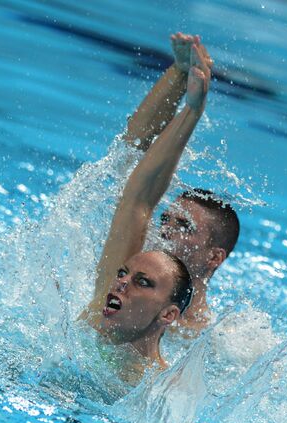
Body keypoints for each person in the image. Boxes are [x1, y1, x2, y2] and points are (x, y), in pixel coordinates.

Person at [79, 37, 211, 381]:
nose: (120, 283)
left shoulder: (155, 388)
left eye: (141, 282)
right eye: (123, 273)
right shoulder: (94, 322)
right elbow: (138, 198)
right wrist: (183, 85)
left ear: (168, 314)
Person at [120, 33, 240, 334]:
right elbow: (133, 157)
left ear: (214, 257)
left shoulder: (221, 340)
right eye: (165, 219)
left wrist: (192, 110)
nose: (164, 230)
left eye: (183, 226)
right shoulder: (125, 284)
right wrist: (179, 72)